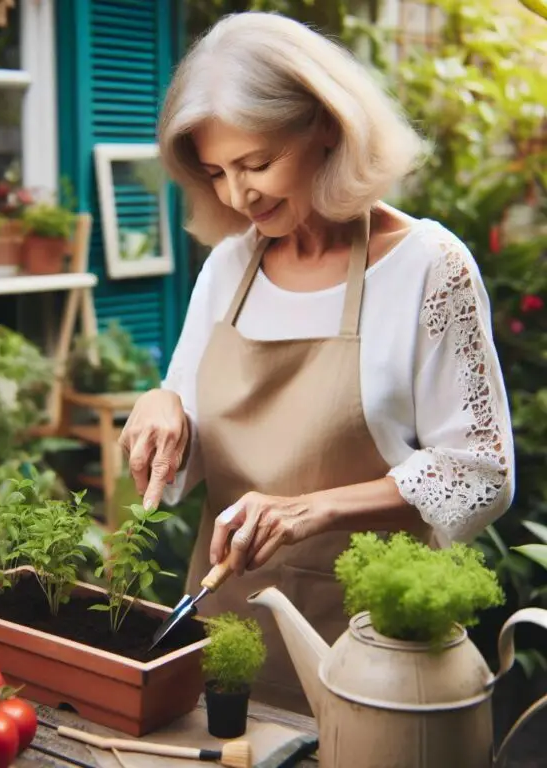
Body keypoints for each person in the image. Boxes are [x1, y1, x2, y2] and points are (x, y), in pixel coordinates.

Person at [119, 12, 515, 714]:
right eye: (216, 172)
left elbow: (481, 472)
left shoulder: (429, 267)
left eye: (257, 163)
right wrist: (160, 405)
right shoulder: (228, 267)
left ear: (326, 127)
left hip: (375, 645)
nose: (238, 196)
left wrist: (314, 508)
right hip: (224, 627)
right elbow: (182, 453)